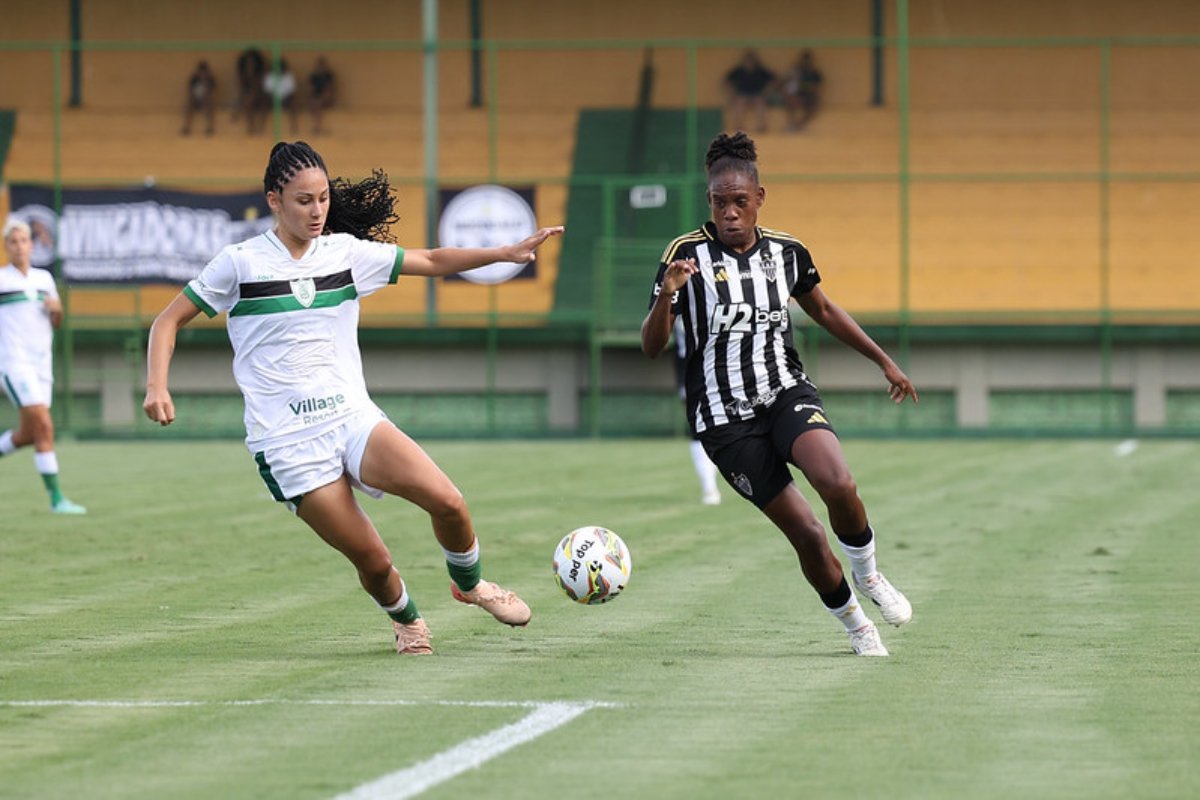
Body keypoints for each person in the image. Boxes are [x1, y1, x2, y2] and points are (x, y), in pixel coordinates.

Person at [143, 142, 561, 655]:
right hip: (288, 443)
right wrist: (156, 387)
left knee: (449, 502)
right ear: (274, 200)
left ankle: (471, 585)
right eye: (303, 200)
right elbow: (168, 321)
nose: (317, 210)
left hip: (353, 418)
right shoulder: (240, 263)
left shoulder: (344, 253)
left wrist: (503, 253)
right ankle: (407, 621)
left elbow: (429, 258)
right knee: (374, 561)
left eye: (322, 198)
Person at [641, 132, 916, 656]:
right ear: (710, 202)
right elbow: (652, 346)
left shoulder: (788, 253)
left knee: (837, 480)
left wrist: (884, 361)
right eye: (720, 203)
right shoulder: (684, 256)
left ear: (759, 198)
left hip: (784, 392)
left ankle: (871, 576)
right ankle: (857, 625)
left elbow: (826, 311)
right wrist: (667, 298)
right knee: (808, 534)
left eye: (740, 201)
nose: (730, 213)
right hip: (725, 423)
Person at [0, 218, 87, 514]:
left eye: (24, 241)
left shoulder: (44, 279)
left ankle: (57, 500)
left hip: (42, 365)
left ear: (31, 244)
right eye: (13, 241)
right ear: (6, 247)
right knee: (45, 426)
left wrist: (57, 310)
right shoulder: (1, 279)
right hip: (14, 363)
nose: (20, 246)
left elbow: (57, 322)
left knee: (29, 433)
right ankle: (57, 499)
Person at [674, 316, 720, 505]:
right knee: (699, 426)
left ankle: (711, 484)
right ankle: (709, 485)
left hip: (723, 364)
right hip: (692, 368)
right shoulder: (680, 298)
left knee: (721, 427)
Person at [724, 50, 776, 133]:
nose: (749, 62)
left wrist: (767, 92)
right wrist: (732, 94)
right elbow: (727, 81)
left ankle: (761, 126)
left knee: (760, 102)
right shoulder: (738, 71)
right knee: (739, 102)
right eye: (747, 60)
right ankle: (739, 126)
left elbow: (773, 80)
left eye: (751, 60)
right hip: (743, 95)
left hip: (757, 95)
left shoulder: (760, 70)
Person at [781, 49, 823, 132]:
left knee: (814, 106)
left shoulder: (814, 73)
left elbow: (816, 88)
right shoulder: (796, 72)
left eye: (808, 61)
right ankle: (791, 124)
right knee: (790, 102)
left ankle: (799, 124)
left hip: (808, 97)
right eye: (804, 61)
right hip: (796, 95)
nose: (806, 63)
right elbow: (789, 86)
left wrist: (807, 90)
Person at [259, 58, 300, 135]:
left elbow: (292, 92)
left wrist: (285, 99)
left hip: (286, 99)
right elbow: (267, 91)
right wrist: (274, 99)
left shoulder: (288, 76)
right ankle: (261, 127)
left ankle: (294, 127)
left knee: (293, 104)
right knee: (263, 103)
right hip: (272, 99)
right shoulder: (270, 76)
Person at [232, 47, 267, 134]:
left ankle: (261, 127)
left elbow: (258, 89)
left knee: (254, 99)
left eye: (252, 63)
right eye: (248, 63)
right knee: (248, 100)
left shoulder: (260, 75)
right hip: (249, 99)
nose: (250, 65)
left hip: (262, 97)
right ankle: (251, 127)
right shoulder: (243, 76)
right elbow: (243, 91)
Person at [181, 60, 216, 136]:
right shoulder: (193, 80)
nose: (202, 74)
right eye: (201, 72)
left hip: (206, 100)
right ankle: (186, 127)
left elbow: (211, 93)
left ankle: (210, 127)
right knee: (189, 102)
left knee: (209, 102)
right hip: (196, 100)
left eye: (204, 72)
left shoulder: (210, 80)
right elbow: (191, 92)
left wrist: (205, 82)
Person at [307, 57, 337, 135]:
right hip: (316, 97)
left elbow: (329, 89)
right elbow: (311, 89)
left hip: (324, 97)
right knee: (314, 103)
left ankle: (318, 127)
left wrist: (326, 97)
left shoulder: (328, 76)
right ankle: (317, 126)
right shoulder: (314, 76)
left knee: (318, 103)